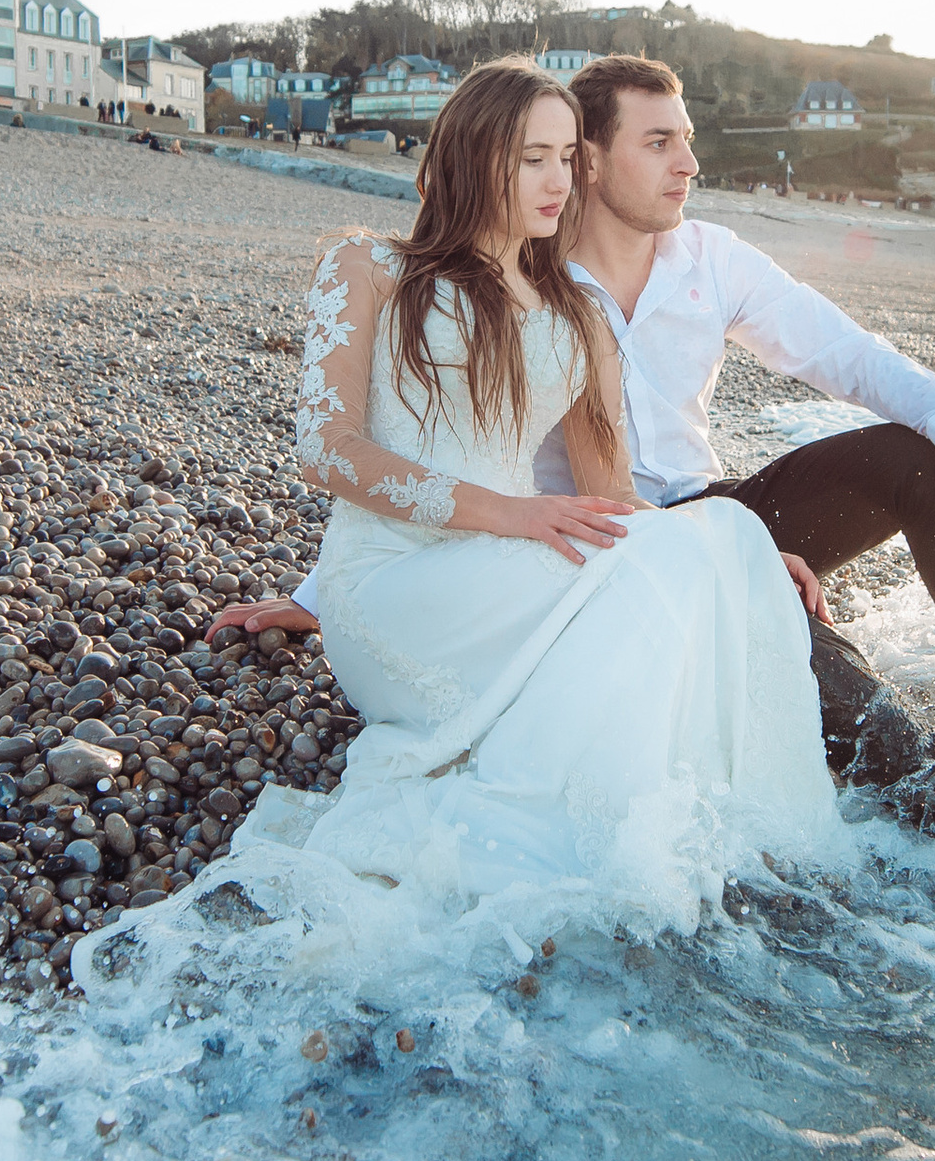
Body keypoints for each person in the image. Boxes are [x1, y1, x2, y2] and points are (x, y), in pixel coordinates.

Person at [263, 60, 845, 917]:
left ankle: (697, 840)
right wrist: (512, 513)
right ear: (471, 154)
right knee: (666, 577)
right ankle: (623, 851)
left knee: (715, 540)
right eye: (533, 156)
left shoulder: (576, 317)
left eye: (569, 158)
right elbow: (327, 451)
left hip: (517, 563)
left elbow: (615, 503)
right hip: (392, 584)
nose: (558, 181)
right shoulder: (371, 268)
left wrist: (749, 555)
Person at [557, 55, 935, 790]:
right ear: (587, 160)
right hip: (601, 545)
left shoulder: (710, 259)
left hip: (716, 511)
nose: (689, 163)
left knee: (920, 455)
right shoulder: (526, 273)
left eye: (686, 138)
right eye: (657, 143)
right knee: (841, 693)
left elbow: (852, 356)